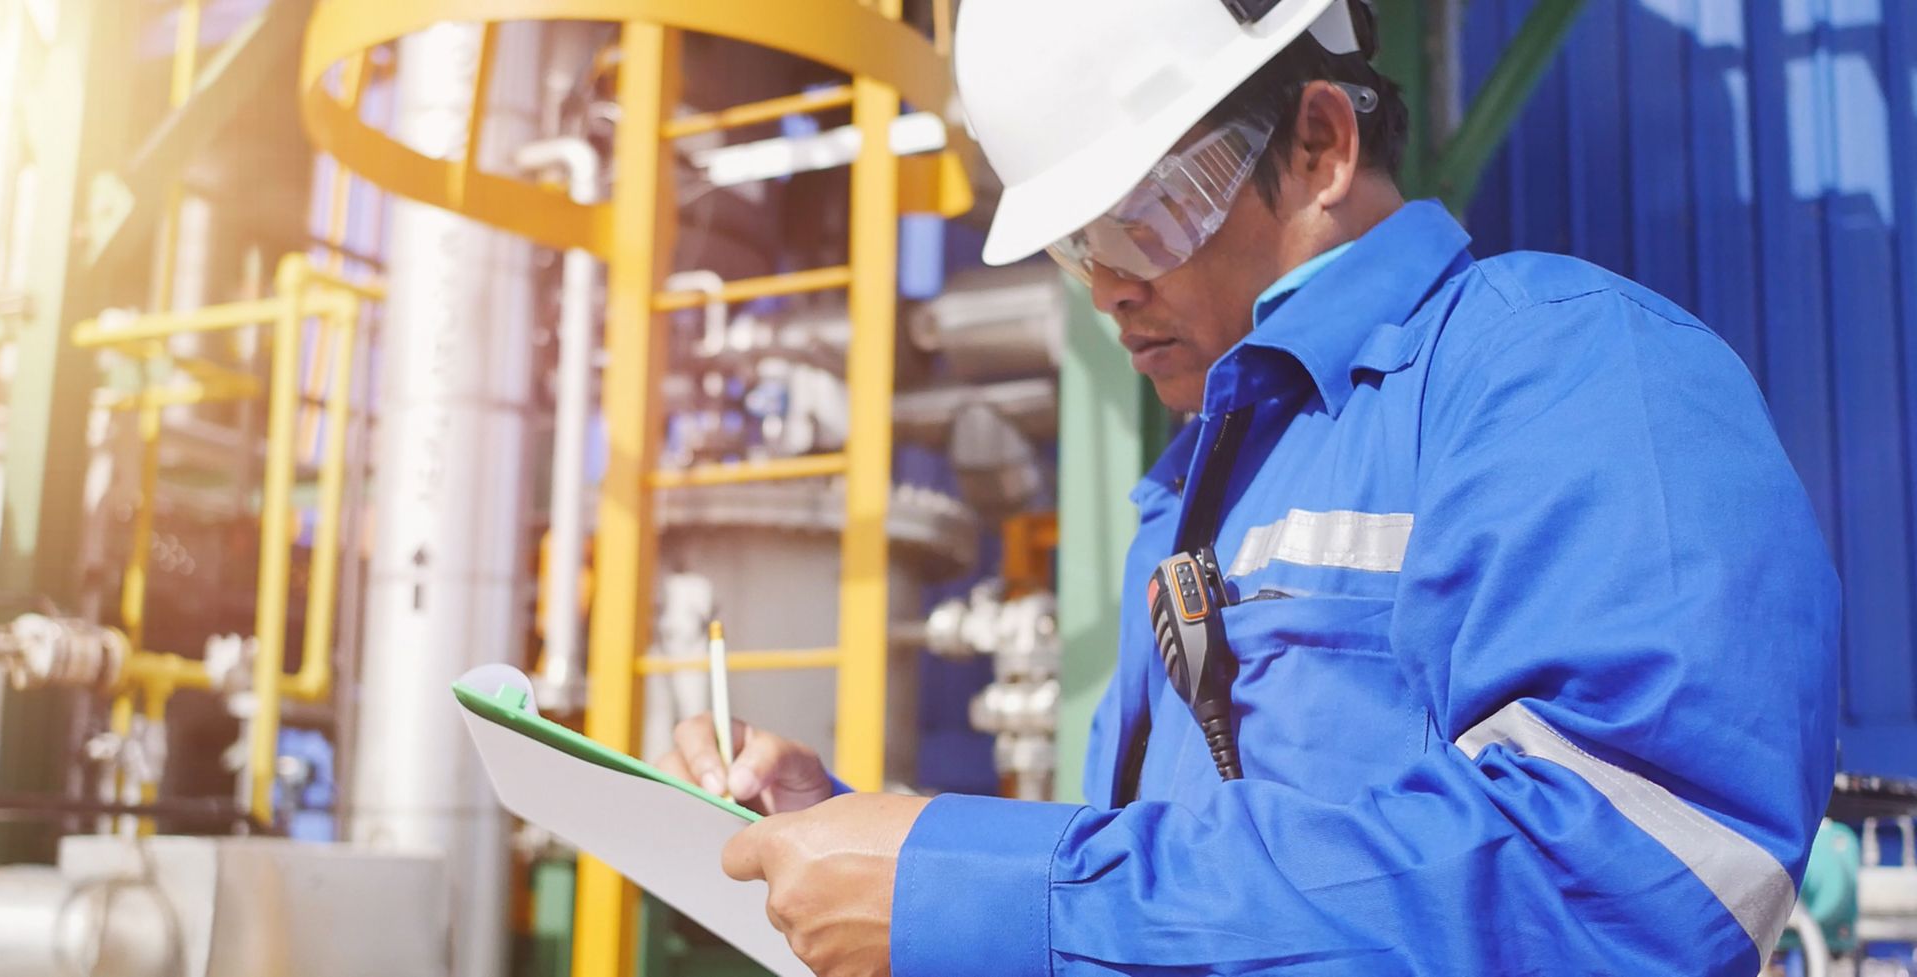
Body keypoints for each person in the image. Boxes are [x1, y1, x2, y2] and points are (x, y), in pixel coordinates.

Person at [657, 0, 1841, 973]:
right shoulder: (1196, 489)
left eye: (1139, 218)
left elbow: (1620, 893)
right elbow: (1167, 890)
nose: (1107, 287)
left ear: (1319, 144)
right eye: (1077, 247)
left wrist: (977, 892)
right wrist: (869, 845)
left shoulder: (1566, 368)